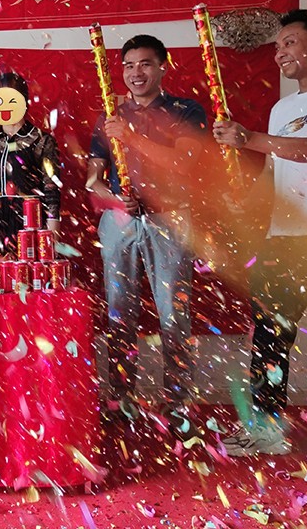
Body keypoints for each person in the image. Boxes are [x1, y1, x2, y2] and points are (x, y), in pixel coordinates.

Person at [214, 9, 307, 485]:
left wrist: (250, 139)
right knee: (270, 339)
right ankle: (267, 428)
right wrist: (241, 204)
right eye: (276, 47)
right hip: (283, 241)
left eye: (289, 42)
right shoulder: (281, 110)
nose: (280, 53)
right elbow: (274, 175)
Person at [86, 34, 206, 431]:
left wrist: (130, 137)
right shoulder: (110, 115)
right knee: (119, 312)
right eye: (129, 65)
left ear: (162, 67)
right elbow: (93, 178)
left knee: (174, 314)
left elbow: (185, 163)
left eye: (145, 64)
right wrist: (117, 201)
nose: (136, 73)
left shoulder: (185, 110)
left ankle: (179, 403)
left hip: (170, 219)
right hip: (120, 222)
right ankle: (121, 398)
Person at [0, 72, 61, 254]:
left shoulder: (41, 141)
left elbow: (52, 191)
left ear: (24, 102)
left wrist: (52, 238)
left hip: (31, 222)